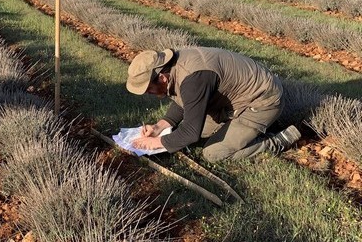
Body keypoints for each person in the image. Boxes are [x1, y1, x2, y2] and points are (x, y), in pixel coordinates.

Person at [126, 47, 301, 162]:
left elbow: (190, 132)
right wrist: (158, 127)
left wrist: (154, 143)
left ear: (162, 77)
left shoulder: (194, 79)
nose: (149, 94)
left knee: (214, 153)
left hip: (263, 101)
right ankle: (247, 130)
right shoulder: (176, 67)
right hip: (237, 101)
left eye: (149, 89)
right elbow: (185, 100)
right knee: (193, 135)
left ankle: (277, 139)